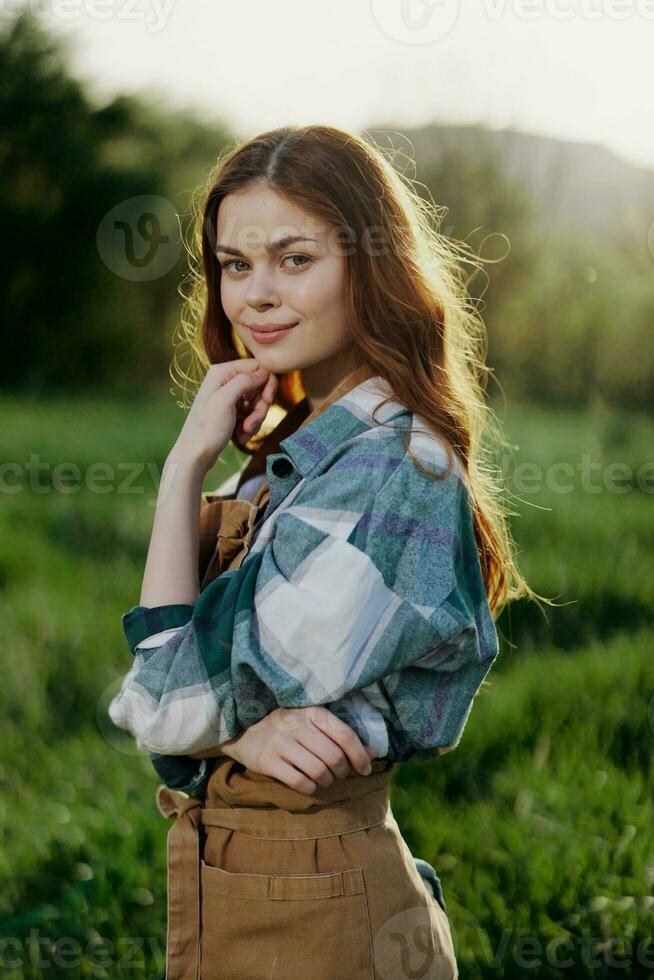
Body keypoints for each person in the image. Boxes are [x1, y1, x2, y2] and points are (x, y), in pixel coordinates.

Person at [109, 124, 541, 980]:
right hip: (251, 882)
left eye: (294, 259)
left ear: (370, 268)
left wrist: (178, 474)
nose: (256, 295)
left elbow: (164, 701)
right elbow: (178, 698)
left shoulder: (393, 468)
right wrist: (238, 731)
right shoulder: (301, 452)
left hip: (323, 911)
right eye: (236, 265)